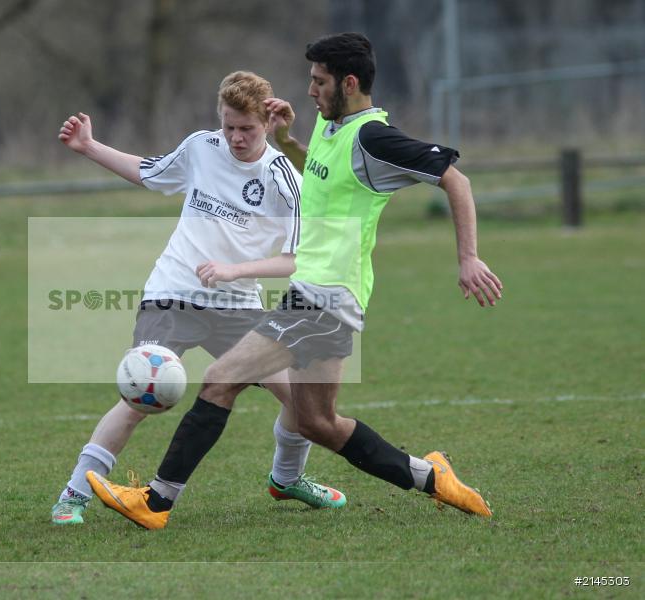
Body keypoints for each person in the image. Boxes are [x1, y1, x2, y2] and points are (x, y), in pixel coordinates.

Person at [87, 33, 504, 529]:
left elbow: (455, 179)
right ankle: (431, 477)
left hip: (325, 298)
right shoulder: (333, 128)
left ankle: (156, 503)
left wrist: (469, 258)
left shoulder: (374, 137)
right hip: (318, 296)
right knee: (318, 423)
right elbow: (325, 178)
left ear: (349, 83)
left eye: (319, 81)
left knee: (220, 381)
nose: (309, 90)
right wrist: (287, 141)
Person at [51, 71, 346, 526]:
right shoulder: (201, 147)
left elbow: (296, 261)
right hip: (172, 292)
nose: (235, 138)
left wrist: (236, 271)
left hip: (238, 304)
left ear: (267, 123)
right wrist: (89, 147)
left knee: (302, 401)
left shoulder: (285, 177)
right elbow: (149, 173)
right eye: (228, 126)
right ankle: (74, 493)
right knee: (142, 395)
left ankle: (286, 480)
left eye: (245, 128)